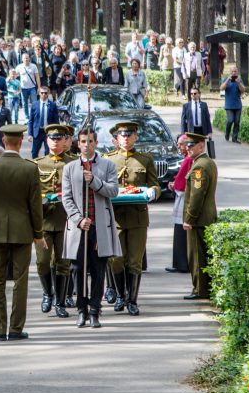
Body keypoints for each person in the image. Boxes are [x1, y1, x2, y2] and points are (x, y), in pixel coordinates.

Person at [0, 124, 45, 341]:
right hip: (23, 230)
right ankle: (16, 329)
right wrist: (38, 232)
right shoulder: (29, 168)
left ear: (4, 141)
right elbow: (35, 205)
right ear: (19, 142)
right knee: (20, 280)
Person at [61, 124, 121, 327]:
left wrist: (94, 181)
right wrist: (79, 219)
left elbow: (113, 191)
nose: (87, 145)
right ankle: (81, 309)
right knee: (77, 269)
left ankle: (95, 309)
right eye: (83, 142)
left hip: (99, 226)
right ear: (78, 144)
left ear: (96, 143)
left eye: (91, 141)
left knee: (98, 269)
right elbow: (67, 199)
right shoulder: (69, 168)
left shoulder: (107, 165)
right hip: (79, 227)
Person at [107, 122, 161, 315]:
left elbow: (155, 184)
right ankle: (120, 295)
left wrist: (153, 192)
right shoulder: (108, 160)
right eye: (122, 135)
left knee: (135, 260)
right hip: (116, 218)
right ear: (117, 138)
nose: (126, 138)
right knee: (116, 259)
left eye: (129, 135)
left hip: (138, 217)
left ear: (135, 137)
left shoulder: (145, 159)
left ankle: (132, 300)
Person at [33, 124, 77, 318]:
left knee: (63, 263)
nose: (56, 141)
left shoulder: (74, 163)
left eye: (59, 138)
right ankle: (47, 294)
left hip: (66, 220)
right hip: (43, 221)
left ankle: (59, 302)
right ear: (47, 140)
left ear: (65, 140)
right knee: (43, 262)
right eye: (52, 138)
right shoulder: (37, 164)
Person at [181, 133, 218, 300]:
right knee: (202, 254)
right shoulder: (207, 162)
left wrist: (189, 219)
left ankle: (200, 289)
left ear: (201, 146)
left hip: (198, 219)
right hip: (205, 217)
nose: (187, 148)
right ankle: (202, 287)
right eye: (187, 145)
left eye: (192, 145)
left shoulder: (199, 167)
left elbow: (197, 196)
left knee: (197, 256)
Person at [166, 135, 192, 274]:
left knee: (181, 232)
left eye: (181, 144)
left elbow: (183, 181)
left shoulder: (189, 159)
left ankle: (181, 264)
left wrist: (174, 185)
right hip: (181, 195)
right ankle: (178, 263)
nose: (180, 147)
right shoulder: (187, 158)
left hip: (184, 198)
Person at [27, 87, 59, 158]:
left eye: (45, 93)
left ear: (48, 94)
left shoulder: (53, 105)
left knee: (48, 152)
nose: (44, 95)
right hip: (37, 132)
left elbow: (56, 121)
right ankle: (35, 167)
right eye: (42, 93)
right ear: (39, 93)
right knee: (34, 152)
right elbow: (31, 121)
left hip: (48, 132)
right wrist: (30, 134)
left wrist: (56, 133)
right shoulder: (34, 105)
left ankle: (46, 167)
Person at [220, 67, 246, 143]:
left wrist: (239, 83)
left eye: (235, 71)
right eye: (232, 71)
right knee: (230, 120)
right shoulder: (226, 79)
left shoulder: (239, 80)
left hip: (238, 105)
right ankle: (227, 134)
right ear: (230, 72)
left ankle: (235, 138)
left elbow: (243, 90)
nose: (234, 73)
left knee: (237, 122)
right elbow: (222, 88)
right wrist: (228, 79)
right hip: (229, 105)